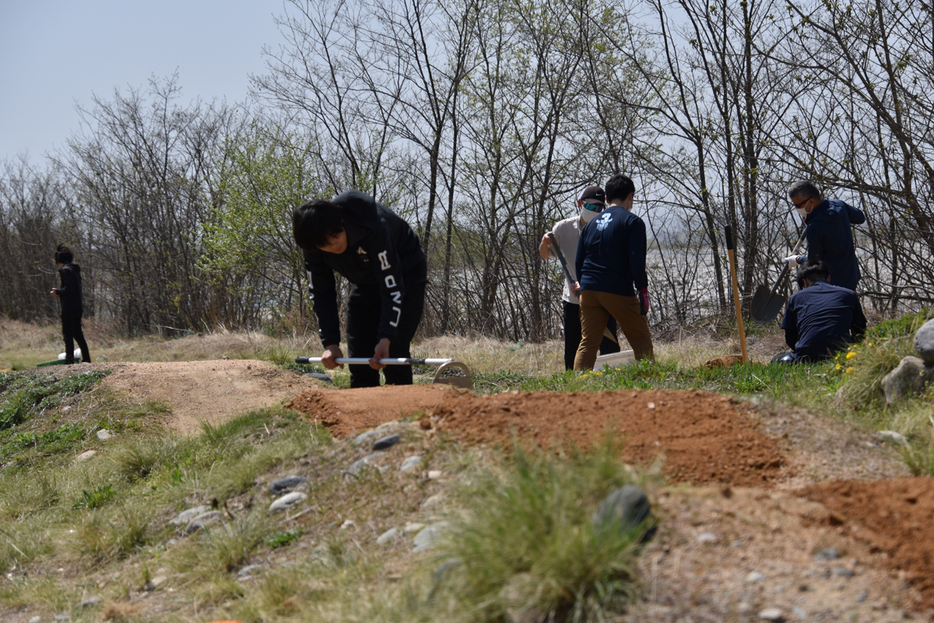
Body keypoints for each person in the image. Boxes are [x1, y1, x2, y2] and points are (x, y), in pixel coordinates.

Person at [293, 190, 427, 388]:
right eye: (324, 245)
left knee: (394, 350)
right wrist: (330, 343)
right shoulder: (313, 245)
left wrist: (386, 337)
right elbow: (321, 294)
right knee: (360, 355)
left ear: (341, 222)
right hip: (365, 280)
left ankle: (403, 412)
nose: (332, 246)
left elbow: (392, 287)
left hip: (405, 275)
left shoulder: (372, 227)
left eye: (335, 237)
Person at [572, 173, 654, 370]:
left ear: (607, 199)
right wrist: (642, 290)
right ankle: (648, 379)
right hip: (616, 288)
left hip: (589, 290)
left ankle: (576, 386)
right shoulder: (632, 222)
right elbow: (636, 260)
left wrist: (583, 286)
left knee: (588, 342)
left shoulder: (590, 225)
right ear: (630, 196)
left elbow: (579, 261)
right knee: (640, 337)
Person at [539, 185, 620, 370]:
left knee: (609, 347)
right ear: (580, 204)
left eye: (599, 208)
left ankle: (612, 383)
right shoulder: (563, 228)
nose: (594, 211)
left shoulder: (608, 229)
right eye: (590, 207)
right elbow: (545, 255)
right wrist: (545, 242)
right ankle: (574, 384)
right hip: (573, 300)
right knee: (573, 349)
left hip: (602, 299)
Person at [775, 260, 866, 363]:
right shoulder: (849, 294)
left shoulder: (796, 298)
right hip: (842, 355)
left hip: (807, 357)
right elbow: (860, 331)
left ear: (804, 282)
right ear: (828, 278)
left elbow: (790, 337)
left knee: (778, 359)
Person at [785, 181, 866, 291]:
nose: (796, 209)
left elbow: (814, 261)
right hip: (851, 276)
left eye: (798, 205)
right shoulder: (839, 205)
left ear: (811, 201)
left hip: (831, 282)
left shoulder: (815, 227)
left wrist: (797, 259)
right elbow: (860, 217)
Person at [50, 244, 91, 364]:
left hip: (68, 308)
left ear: (59, 261)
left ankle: (69, 360)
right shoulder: (75, 270)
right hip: (77, 307)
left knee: (67, 334)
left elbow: (68, 288)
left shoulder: (65, 271)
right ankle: (86, 359)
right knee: (78, 334)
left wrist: (57, 292)